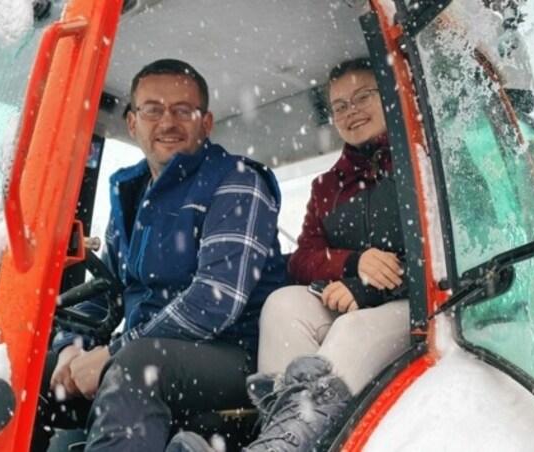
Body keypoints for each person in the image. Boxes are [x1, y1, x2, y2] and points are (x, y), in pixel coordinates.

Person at [32, 59, 287, 451]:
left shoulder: (237, 182)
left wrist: (113, 353)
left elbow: (215, 302)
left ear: (206, 123)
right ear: (133, 124)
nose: (167, 122)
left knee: (138, 366)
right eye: (153, 110)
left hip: (234, 356)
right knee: (28, 370)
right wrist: (71, 344)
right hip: (148, 348)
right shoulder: (133, 195)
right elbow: (106, 293)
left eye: (183, 110)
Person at [168, 57, 410, 451]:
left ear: (390, 95)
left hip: (419, 311)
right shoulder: (328, 187)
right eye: (339, 106)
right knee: (281, 303)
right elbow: (302, 259)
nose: (352, 112)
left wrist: (368, 289)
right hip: (351, 297)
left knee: (350, 328)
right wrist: (351, 263)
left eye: (363, 96)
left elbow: (455, 256)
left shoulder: (422, 162)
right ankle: (278, 436)